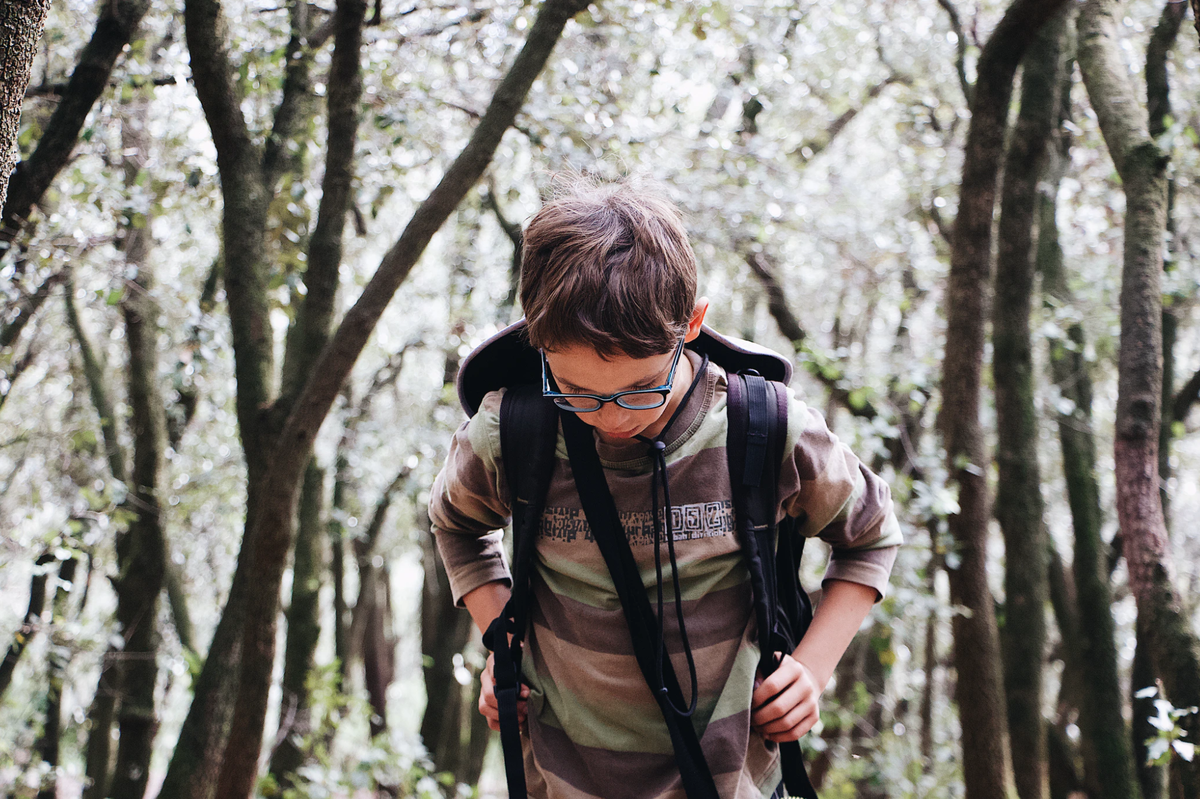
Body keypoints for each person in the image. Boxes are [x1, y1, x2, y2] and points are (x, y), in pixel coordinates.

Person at [429, 178, 902, 799]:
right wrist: (504, 641)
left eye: (640, 388)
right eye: (576, 389)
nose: (611, 417)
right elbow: (456, 524)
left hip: (730, 780)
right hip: (562, 777)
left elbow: (871, 535)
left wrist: (810, 672)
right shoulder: (511, 431)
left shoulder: (763, 429)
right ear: (537, 339)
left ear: (693, 323)